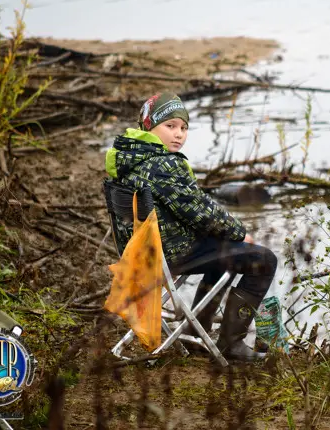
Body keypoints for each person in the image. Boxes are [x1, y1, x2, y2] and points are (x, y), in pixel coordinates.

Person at [105, 92, 277, 361]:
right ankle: (231, 344)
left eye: (184, 128)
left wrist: (227, 233)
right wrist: (242, 233)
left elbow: (188, 208)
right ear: (149, 126)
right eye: (170, 126)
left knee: (225, 253)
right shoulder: (163, 165)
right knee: (264, 260)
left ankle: (199, 332)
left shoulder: (129, 159)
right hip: (170, 254)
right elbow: (199, 211)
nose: (179, 134)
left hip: (143, 254)